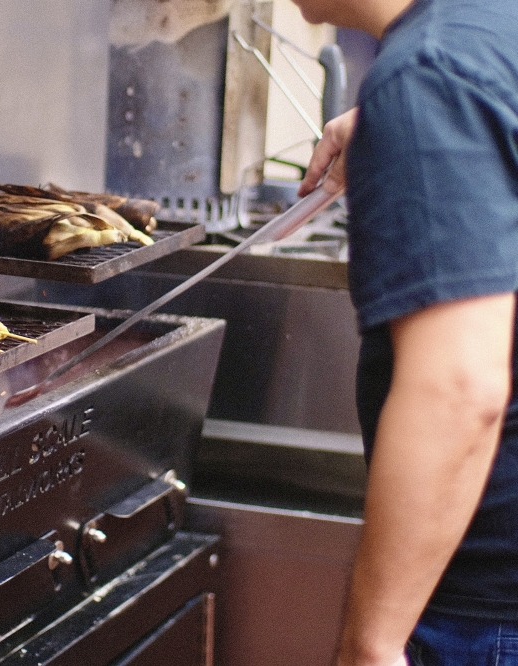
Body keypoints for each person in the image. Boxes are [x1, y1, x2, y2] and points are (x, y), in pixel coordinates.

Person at [290, 0, 518, 664]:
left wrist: (372, 643)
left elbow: (460, 390)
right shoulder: (491, 26)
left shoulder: (431, 69)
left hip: (487, 610)